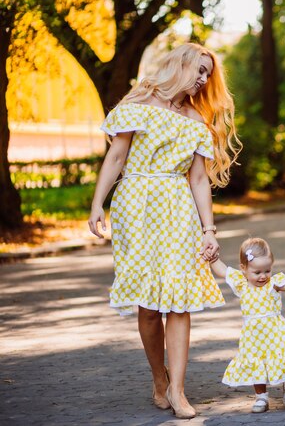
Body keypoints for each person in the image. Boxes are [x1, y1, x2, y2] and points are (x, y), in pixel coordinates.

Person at [88, 42, 241, 419]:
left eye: (208, 73)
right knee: (148, 304)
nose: (204, 79)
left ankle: (177, 389)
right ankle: (160, 378)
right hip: (136, 208)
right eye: (200, 70)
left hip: (177, 209)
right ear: (180, 65)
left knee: (179, 299)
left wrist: (209, 230)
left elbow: (200, 179)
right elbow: (117, 157)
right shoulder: (137, 106)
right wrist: (97, 203)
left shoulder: (195, 120)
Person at [209, 237, 285, 413]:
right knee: (256, 364)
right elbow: (223, 270)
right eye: (257, 272)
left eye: (267, 270)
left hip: (276, 332)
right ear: (244, 268)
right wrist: (213, 259)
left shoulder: (274, 283)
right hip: (253, 336)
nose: (263, 276)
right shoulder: (241, 283)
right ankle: (261, 397)